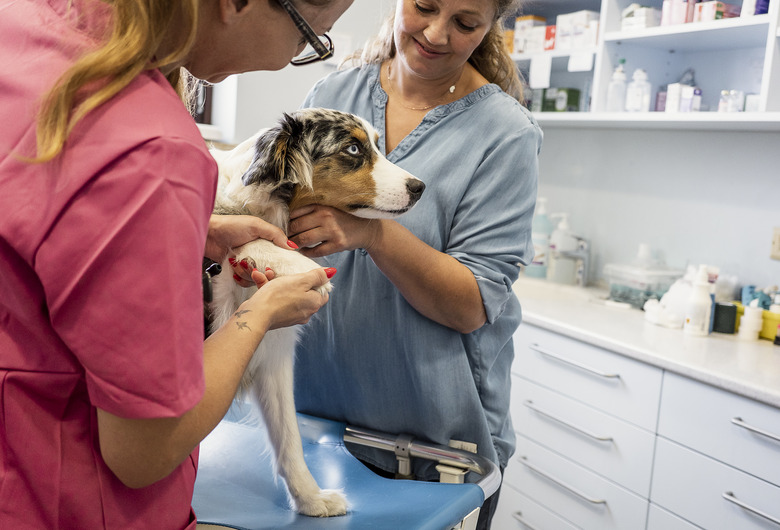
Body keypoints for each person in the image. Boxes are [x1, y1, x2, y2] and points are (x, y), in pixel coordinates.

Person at [0, 0, 352, 528]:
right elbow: (143, 451)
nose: (290, 59)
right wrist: (259, 317)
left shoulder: (28, 26)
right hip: (64, 499)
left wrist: (189, 231)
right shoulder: (153, 151)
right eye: (308, 39)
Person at [288, 0, 541, 528]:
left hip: (429, 452)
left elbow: (470, 306)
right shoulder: (335, 94)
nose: (436, 33)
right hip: (309, 421)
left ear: (491, 26)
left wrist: (371, 233)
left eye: (465, 23)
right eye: (424, 7)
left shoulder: (504, 133)